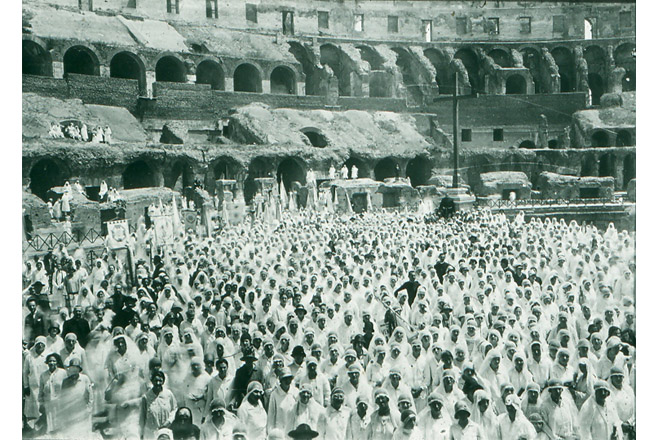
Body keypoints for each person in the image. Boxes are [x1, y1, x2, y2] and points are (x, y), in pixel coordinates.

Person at [139, 370, 178, 440]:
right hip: (151, 432)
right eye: (155, 380)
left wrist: (168, 421)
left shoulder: (168, 394)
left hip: (165, 431)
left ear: (163, 381)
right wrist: (141, 434)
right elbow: (142, 417)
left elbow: (174, 409)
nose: (158, 383)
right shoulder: (146, 397)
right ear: (152, 381)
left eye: (160, 380)